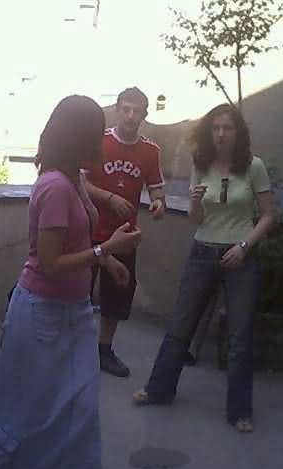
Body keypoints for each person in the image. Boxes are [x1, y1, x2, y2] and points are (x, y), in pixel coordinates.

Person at [0, 95, 142, 469]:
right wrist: (107, 249)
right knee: (30, 406)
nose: (102, 140)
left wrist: (107, 261)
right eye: (96, 132)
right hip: (43, 314)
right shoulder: (55, 187)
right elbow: (49, 264)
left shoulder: (74, 180)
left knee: (76, 407)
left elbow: (74, 242)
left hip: (73, 311)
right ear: (79, 136)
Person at [132, 103, 276, 434]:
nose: (221, 134)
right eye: (216, 128)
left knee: (239, 337)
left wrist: (244, 247)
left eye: (228, 128)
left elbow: (269, 215)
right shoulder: (201, 165)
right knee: (180, 326)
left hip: (240, 256)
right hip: (202, 252)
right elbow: (196, 220)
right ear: (209, 132)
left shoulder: (253, 166)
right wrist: (195, 202)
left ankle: (239, 411)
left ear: (238, 132)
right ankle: (159, 389)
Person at [84, 87, 166, 377]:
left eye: (137, 111)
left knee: (117, 296)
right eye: (126, 109)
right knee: (78, 291)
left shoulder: (151, 151)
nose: (131, 116)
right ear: (117, 110)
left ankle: (104, 350)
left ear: (145, 114)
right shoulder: (98, 141)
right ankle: (74, 346)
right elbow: (80, 183)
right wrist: (108, 198)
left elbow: (156, 191)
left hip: (124, 235)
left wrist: (157, 204)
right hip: (90, 231)